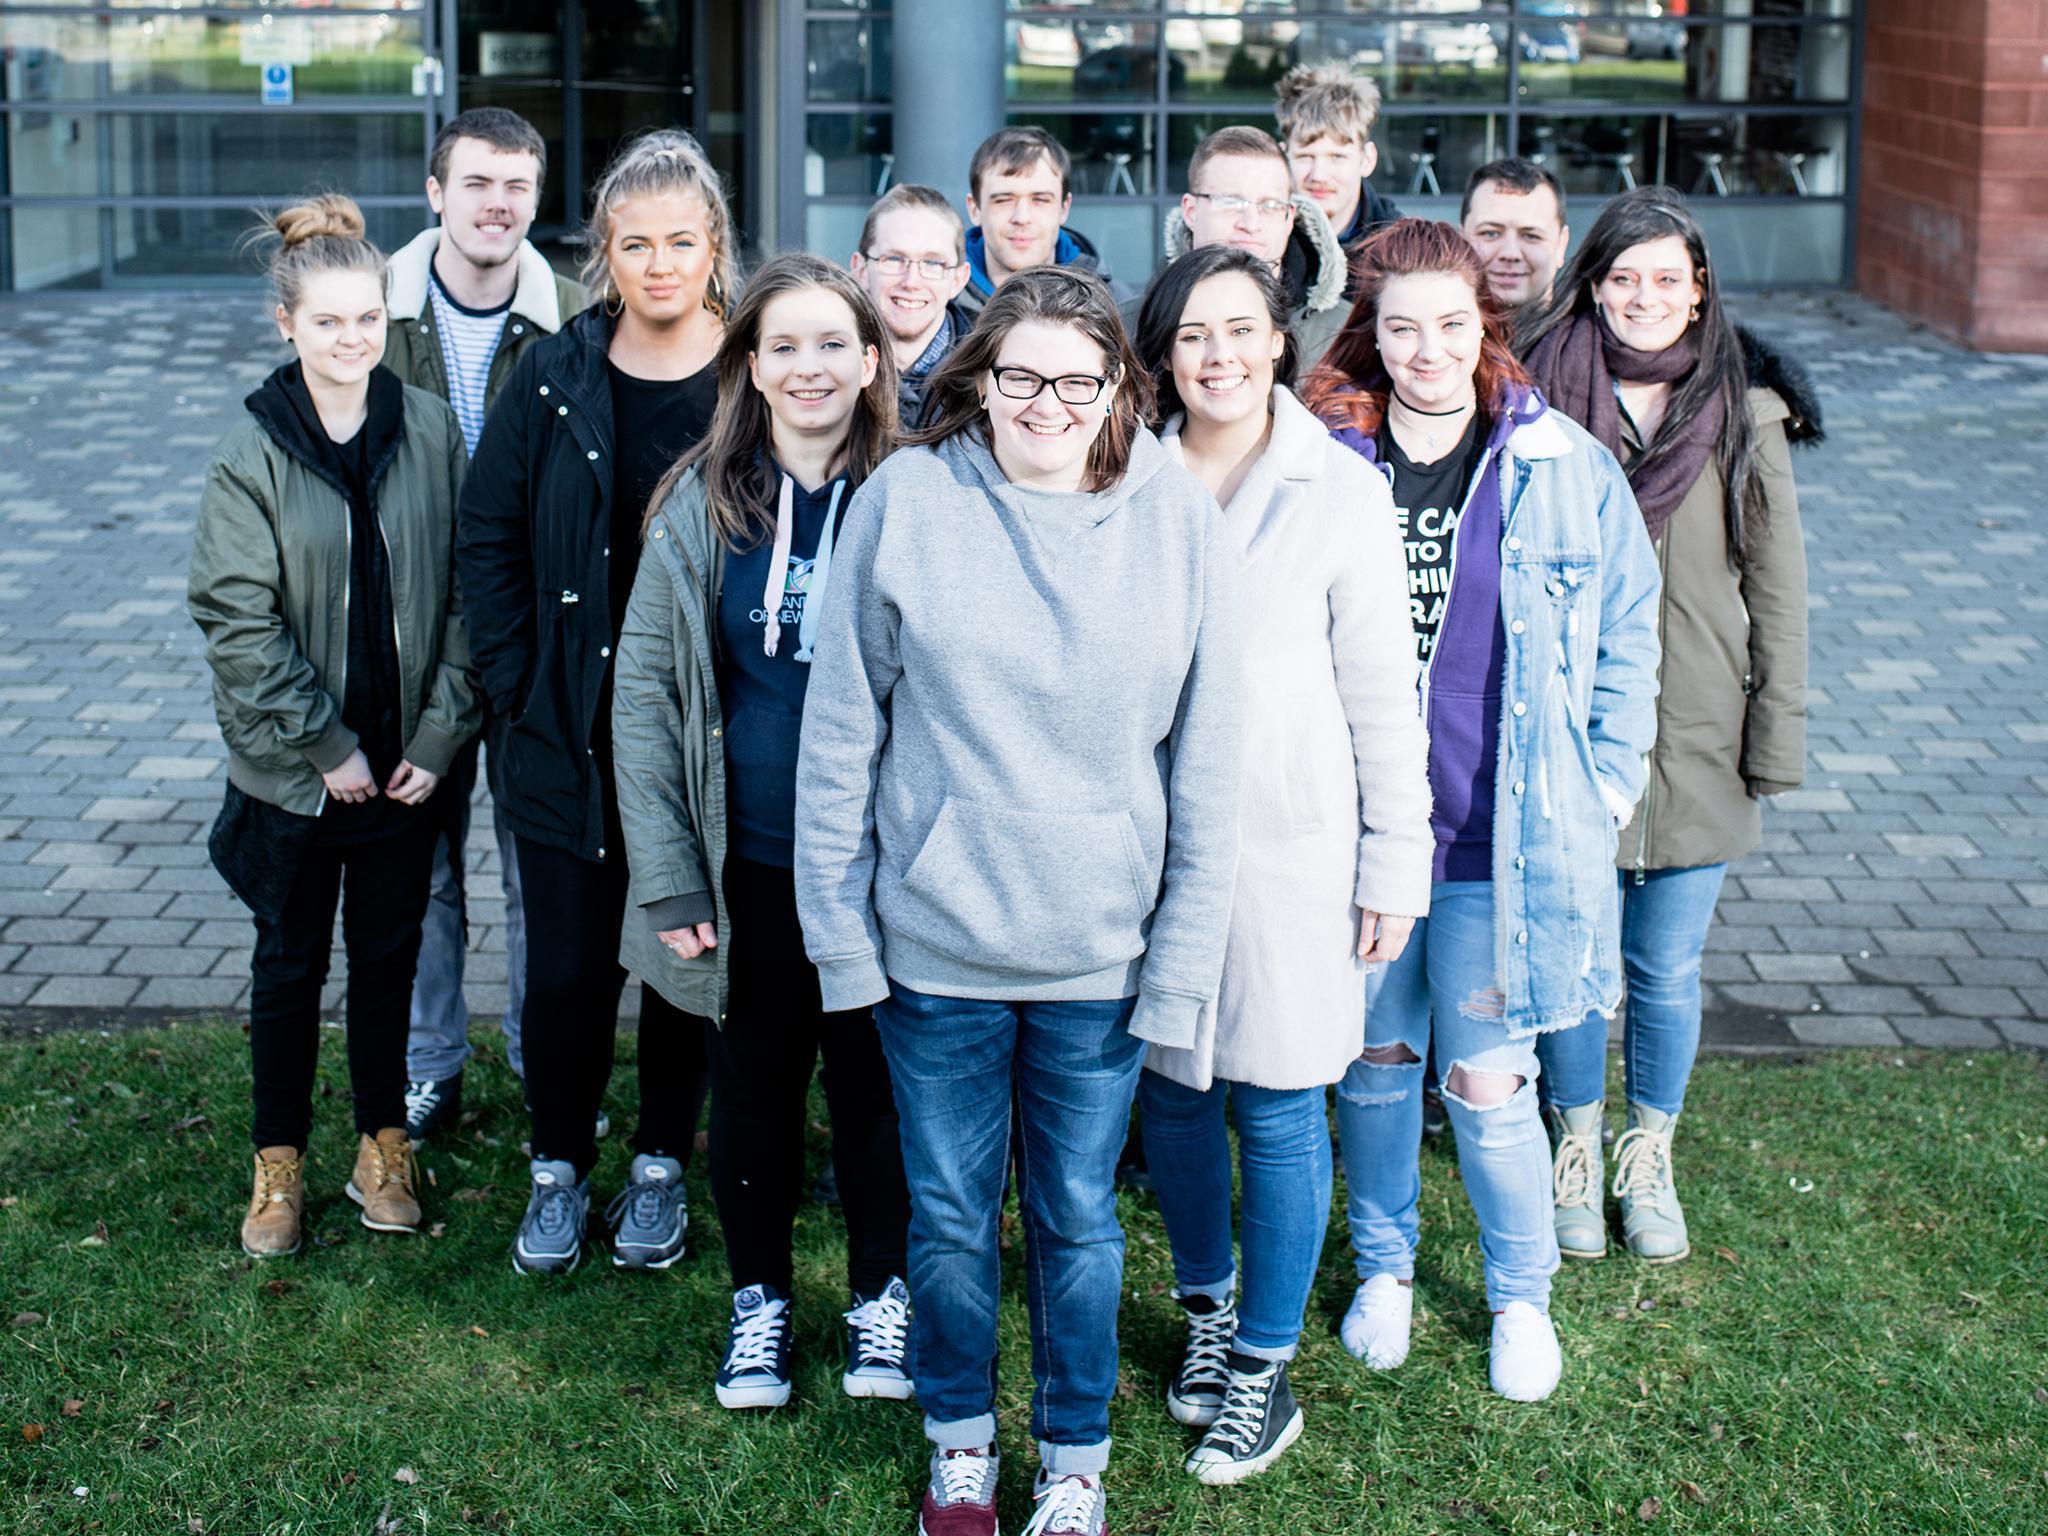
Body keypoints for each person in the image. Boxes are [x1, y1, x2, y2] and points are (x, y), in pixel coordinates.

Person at [794, 266, 1241, 1536]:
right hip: (934, 949)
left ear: (1118, 390)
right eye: (1019, 377)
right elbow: (840, 740)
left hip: (1102, 951)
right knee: (943, 1214)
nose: (1046, 403)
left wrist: (1180, 970)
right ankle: (959, 1442)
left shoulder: (1178, 523)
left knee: (1077, 1219)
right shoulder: (907, 501)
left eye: (1076, 380)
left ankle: (1074, 1458)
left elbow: (1205, 765)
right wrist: (842, 940)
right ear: (978, 378)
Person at [1305, 219, 1662, 1403]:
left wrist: (1602, 787)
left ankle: (1519, 1299)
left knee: (1488, 1084)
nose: (1424, 350)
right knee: (1370, 1065)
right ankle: (1386, 1271)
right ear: (1373, 327)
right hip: (1353, 842)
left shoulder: (1560, 465)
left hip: (1490, 845)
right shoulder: (1319, 461)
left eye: (1449, 325)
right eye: (1400, 326)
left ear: (1482, 327)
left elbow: (1625, 637)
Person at [1129, 244, 1433, 1483]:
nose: (1216, 356)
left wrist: (1391, 863)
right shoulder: (1119, 474)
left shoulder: (1338, 488)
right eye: (1192, 334)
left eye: (1239, 331)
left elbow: (1381, 694)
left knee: (1275, 1099)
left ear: (1277, 343)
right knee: (1174, 1093)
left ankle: (1263, 1365)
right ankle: (1206, 1318)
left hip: (1289, 846)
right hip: (1141, 849)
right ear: (1161, 354)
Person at [613, 253, 915, 1410]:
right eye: (782, 345)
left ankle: (881, 1300)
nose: (809, 367)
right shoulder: (702, 502)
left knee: (875, 1088)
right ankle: (760, 1302)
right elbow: (643, 695)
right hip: (746, 861)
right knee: (753, 1088)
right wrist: (671, 881)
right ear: (749, 363)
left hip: (880, 867)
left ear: (872, 359)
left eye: (832, 344)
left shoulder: (920, 487)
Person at [1521, 187, 1815, 1266]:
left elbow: (1775, 591)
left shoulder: (1745, 412)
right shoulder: (1533, 404)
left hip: (1696, 728)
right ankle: (1574, 1144)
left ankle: (1648, 1154)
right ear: (1590, 285)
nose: (1644, 296)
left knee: (1662, 969)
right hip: (1566, 726)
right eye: (1622, 276)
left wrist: (1769, 741)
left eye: (1665, 277)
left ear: (1697, 291)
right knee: (1568, 953)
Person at [456, 129, 729, 1277]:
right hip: (561, 733)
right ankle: (558, 1167)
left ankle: (661, 1163)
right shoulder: (554, 374)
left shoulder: (753, 373)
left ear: (714, 247)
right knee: (566, 969)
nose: (657, 263)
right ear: (601, 254)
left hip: (692, 739)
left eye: (679, 241)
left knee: (680, 952)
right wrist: (515, 690)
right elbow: (488, 537)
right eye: (634, 243)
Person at [190, 194, 478, 1259]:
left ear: (385, 316)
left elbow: (466, 597)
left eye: (366, 319)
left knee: (388, 963)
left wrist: (436, 740)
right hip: (299, 777)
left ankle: (381, 1146)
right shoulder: (251, 454)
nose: (350, 339)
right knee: (289, 965)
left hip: (405, 767)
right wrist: (327, 747)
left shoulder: (432, 431)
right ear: (288, 325)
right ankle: (278, 1165)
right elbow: (236, 616)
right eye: (327, 322)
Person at [380, 105, 591, 1140]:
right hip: (410, 649)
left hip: (528, 650)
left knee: (534, 869)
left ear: (536, 200)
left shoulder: (574, 325)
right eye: (476, 183)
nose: (496, 204)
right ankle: (431, 1065)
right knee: (423, 878)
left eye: (516, 186)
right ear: (435, 193)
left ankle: (541, 1061)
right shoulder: (371, 315)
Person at [1129, 126, 1349, 374]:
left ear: (1289, 218)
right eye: (1231, 203)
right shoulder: (1128, 329)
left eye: (1270, 205)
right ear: (1191, 211)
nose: (1251, 224)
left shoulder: (1345, 332)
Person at [850, 183, 974, 431]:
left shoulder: (991, 364)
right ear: (861, 270)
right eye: (894, 259)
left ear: (958, 280)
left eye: (932, 263)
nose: (911, 282)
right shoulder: (830, 364)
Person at [962, 125, 1132, 302]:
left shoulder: (1117, 305)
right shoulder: (937, 303)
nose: (1022, 218)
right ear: (974, 209)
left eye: (1040, 200)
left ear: (1064, 209)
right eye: (1004, 200)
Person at [1276, 62, 1403, 256]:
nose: (1319, 176)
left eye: (1337, 157)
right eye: (1305, 156)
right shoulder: (1260, 239)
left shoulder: (1401, 249)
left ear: (1367, 160)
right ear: (1282, 158)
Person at [1460, 158, 1572, 321]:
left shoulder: (1592, 344)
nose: (1510, 253)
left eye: (1531, 236)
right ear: (1461, 240)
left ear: (1561, 246)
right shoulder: (1425, 341)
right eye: (1490, 233)